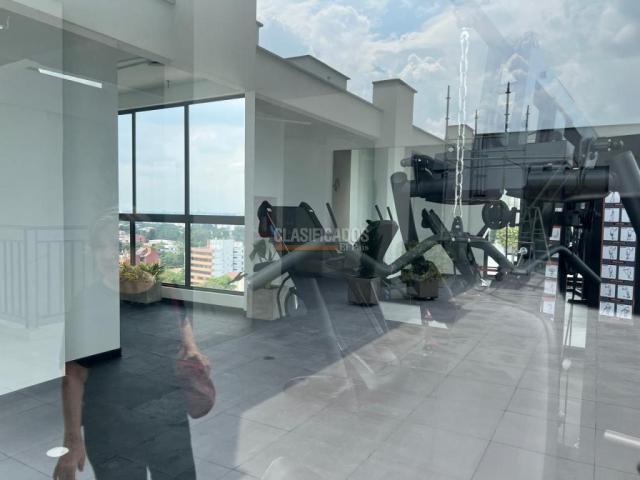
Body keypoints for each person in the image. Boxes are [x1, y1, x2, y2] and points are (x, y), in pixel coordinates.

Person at [53, 213, 210, 480]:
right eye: (100, 246)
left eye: (116, 245)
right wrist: (72, 440)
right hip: (111, 428)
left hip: (167, 418)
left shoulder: (163, 291)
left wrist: (192, 346)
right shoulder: (87, 303)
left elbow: (181, 317)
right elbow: (74, 375)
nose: (108, 254)